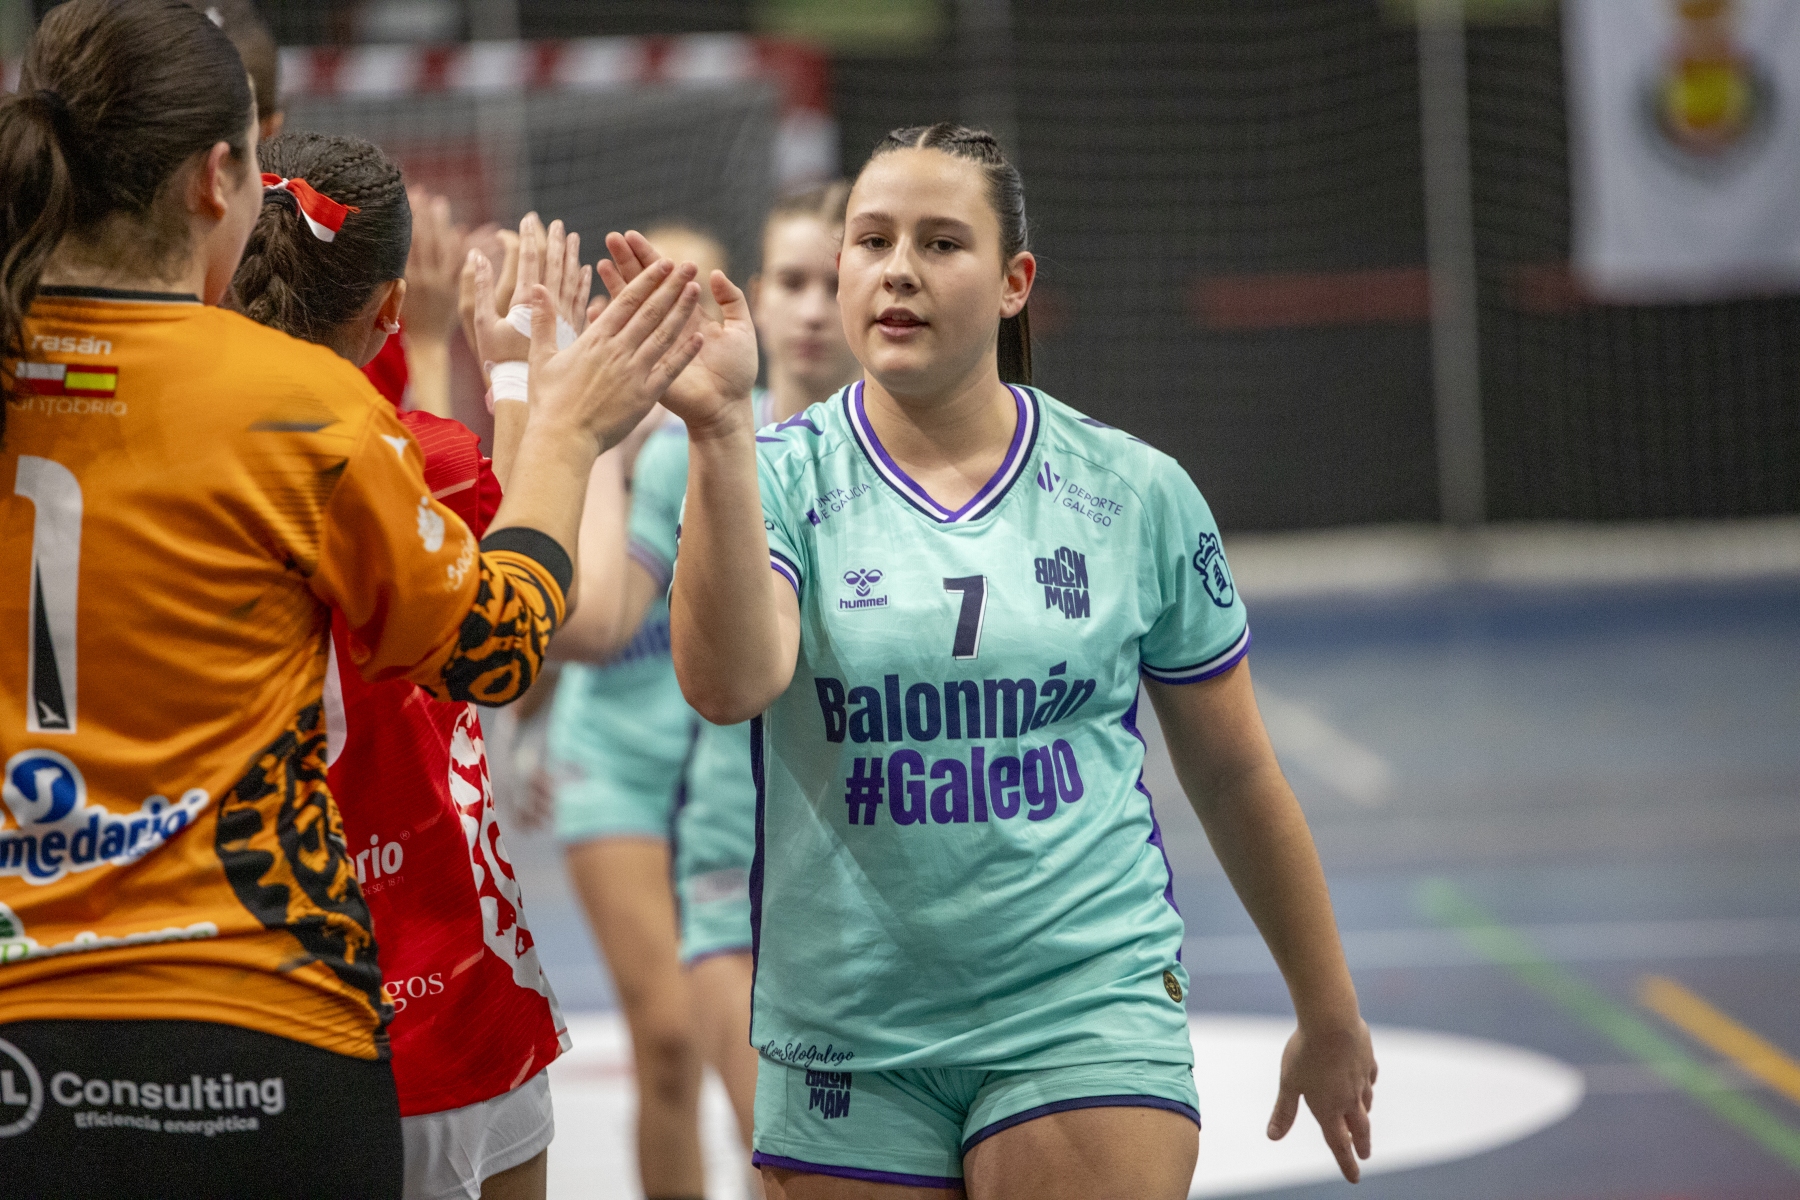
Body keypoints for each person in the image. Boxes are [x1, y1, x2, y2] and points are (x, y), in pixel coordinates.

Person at [0, 3, 706, 1196]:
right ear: (220, 177)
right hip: (255, 1013)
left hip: (26, 1012)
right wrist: (567, 428)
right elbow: (499, 648)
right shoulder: (293, 402)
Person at [639, 122, 1380, 1199]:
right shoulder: (774, 476)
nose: (898, 270)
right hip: (848, 1026)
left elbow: (1234, 773)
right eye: (873, 241)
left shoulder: (1134, 491)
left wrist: (1327, 1009)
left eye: (941, 243)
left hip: (1080, 1003)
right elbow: (727, 687)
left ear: (1014, 282)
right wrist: (714, 431)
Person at [230, 133, 596, 1200]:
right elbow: (521, 598)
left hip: (273, 981)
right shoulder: (421, 458)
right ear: (389, 308)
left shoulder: (194, 470)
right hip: (455, 979)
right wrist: (523, 378)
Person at [566, 188, 861, 1187]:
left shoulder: (920, 462)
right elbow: (595, 623)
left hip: (874, 850)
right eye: (792, 281)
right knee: (767, 1139)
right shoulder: (690, 455)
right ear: (758, 297)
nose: (813, 307)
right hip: (726, 839)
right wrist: (571, 424)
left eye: (832, 280)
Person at [529, 223, 730, 1200]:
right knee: (668, 1037)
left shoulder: (745, 432)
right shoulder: (583, 440)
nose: (668, 318)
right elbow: (550, 616)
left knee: (768, 1041)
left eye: (689, 299)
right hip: (613, 760)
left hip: (728, 766)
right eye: (646, 297)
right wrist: (519, 740)